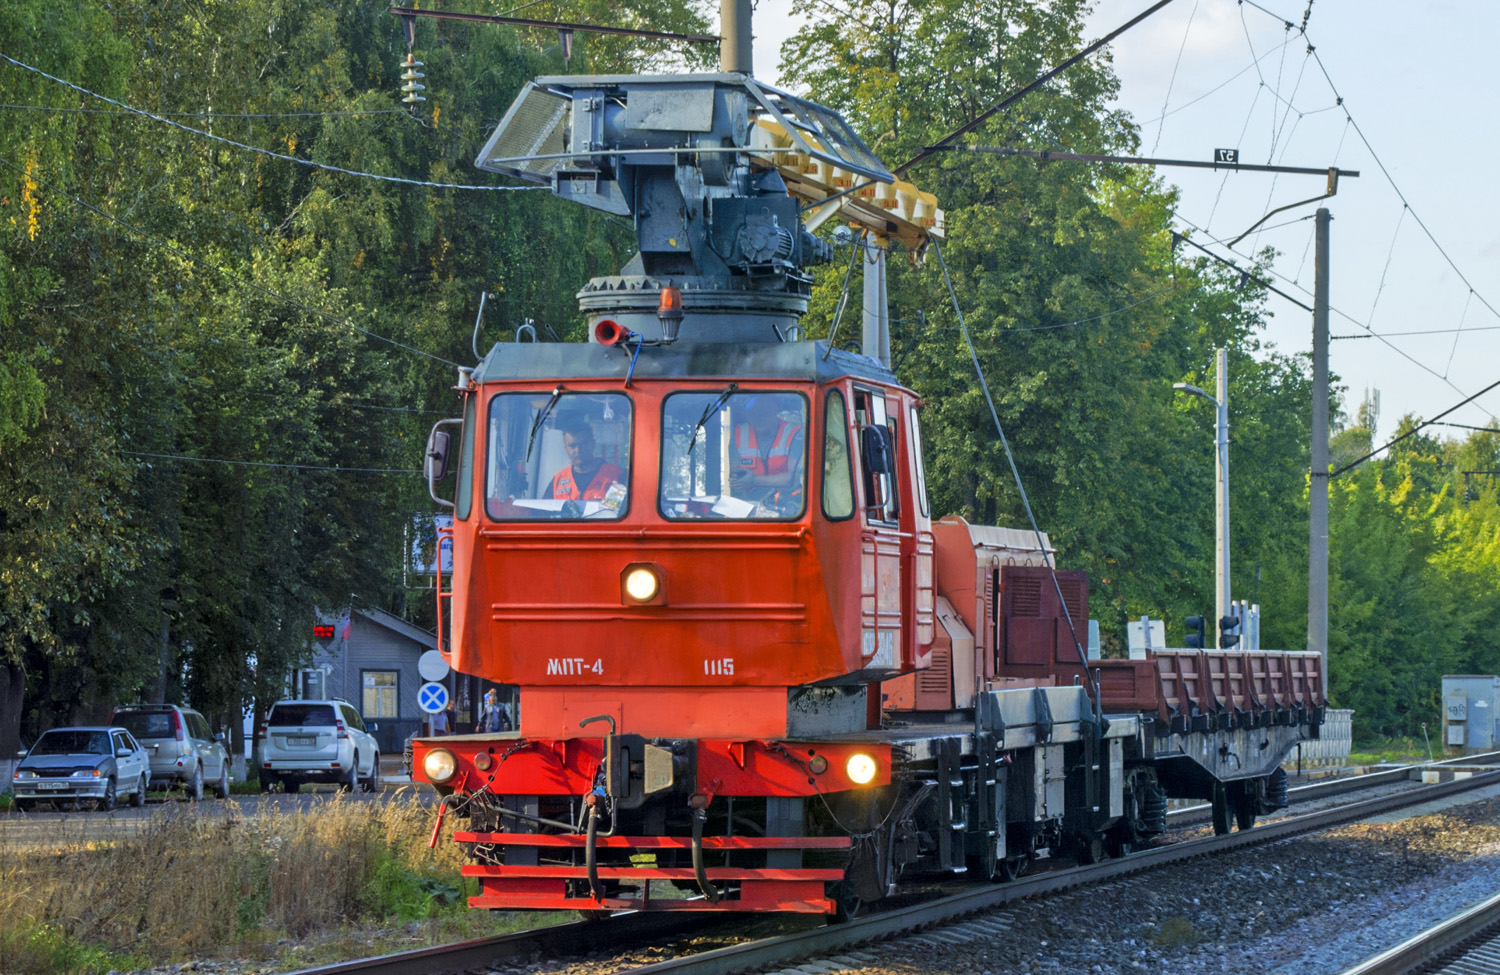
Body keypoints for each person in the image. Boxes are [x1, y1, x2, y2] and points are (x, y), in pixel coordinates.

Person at [731, 395, 804, 503]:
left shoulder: (794, 434)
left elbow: (794, 478)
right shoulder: (739, 434)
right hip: (748, 507)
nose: (759, 418)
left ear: (776, 409)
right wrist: (736, 480)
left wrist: (754, 481)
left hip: (788, 509)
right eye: (754, 413)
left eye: (764, 413)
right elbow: (735, 474)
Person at [545, 421, 625, 503]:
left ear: (593, 444)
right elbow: (543, 513)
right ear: (565, 448)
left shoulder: (618, 476)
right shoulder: (557, 481)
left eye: (583, 444)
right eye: (572, 446)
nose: (578, 450)